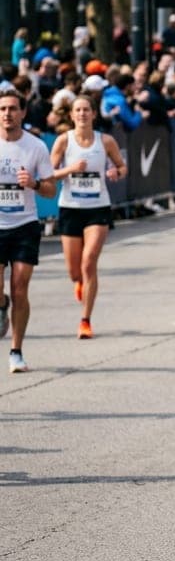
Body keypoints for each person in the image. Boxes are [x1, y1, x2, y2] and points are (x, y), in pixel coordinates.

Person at [49, 96, 127, 339]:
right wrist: (71, 169)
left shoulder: (106, 141)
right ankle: (79, 282)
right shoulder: (64, 141)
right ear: (71, 116)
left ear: (94, 114)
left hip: (97, 207)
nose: (82, 114)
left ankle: (85, 320)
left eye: (86, 110)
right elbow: (49, 174)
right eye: (78, 110)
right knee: (74, 271)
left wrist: (116, 171)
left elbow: (123, 167)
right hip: (70, 208)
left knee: (89, 261)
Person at [0, 88, 56, 373]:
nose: (7, 114)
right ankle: (1, 306)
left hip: (24, 225)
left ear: (22, 112)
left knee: (20, 289)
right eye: (2, 109)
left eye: (12, 108)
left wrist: (33, 184)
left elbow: (50, 189)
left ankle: (16, 351)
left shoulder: (36, 146)